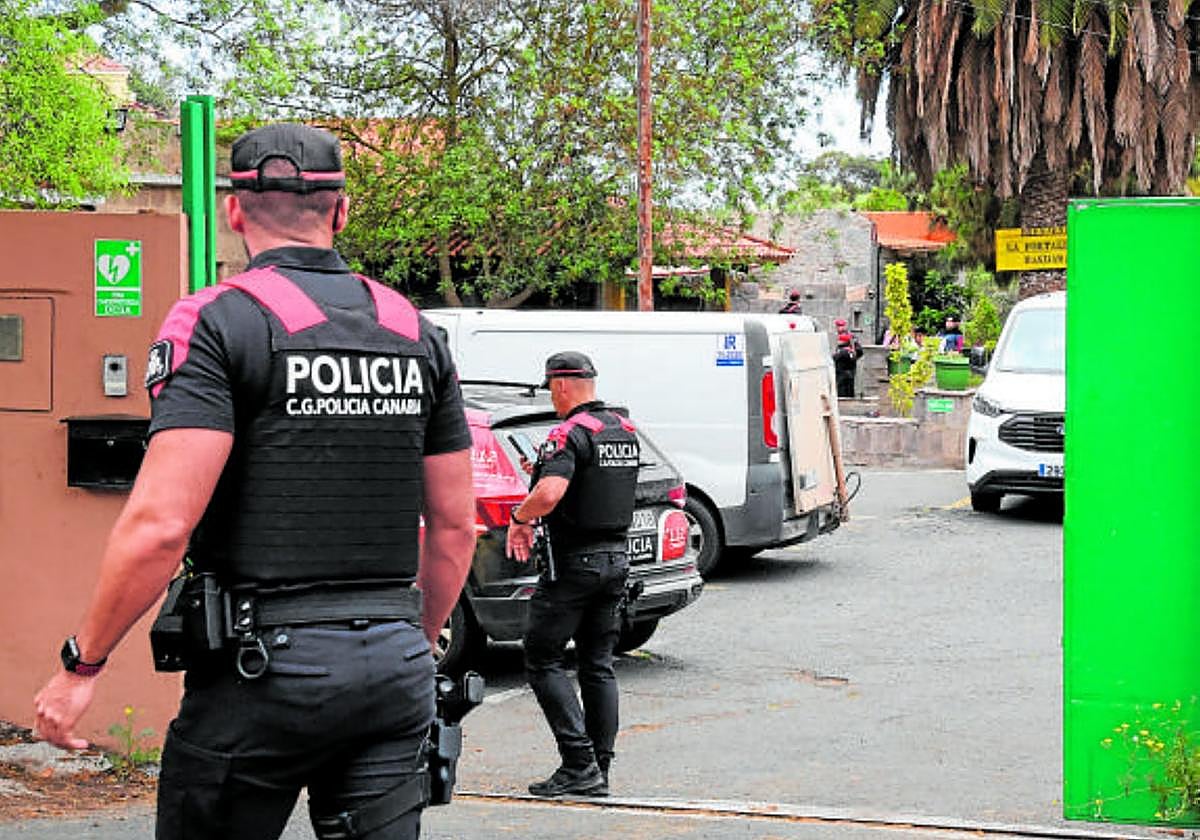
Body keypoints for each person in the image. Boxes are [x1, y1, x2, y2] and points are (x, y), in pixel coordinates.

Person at [32, 123, 476, 840]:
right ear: (341, 211)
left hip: (259, 673)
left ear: (234, 212)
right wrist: (413, 641)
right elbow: (455, 526)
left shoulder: (216, 322)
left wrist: (82, 667)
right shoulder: (415, 332)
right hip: (393, 673)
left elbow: (161, 526)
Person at [504, 351, 640, 798]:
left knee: (542, 658)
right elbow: (595, 485)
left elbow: (550, 494)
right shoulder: (622, 429)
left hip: (574, 564)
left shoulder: (567, 433)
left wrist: (520, 517)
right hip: (616, 561)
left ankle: (579, 764)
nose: (552, 397)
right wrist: (545, 472)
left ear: (561, 385)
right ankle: (599, 768)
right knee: (597, 664)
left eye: (551, 390)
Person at [833, 332, 860, 398]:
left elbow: (834, 358)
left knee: (842, 395)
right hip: (850, 375)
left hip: (842, 376)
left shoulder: (842, 352)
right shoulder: (851, 352)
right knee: (850, 394)